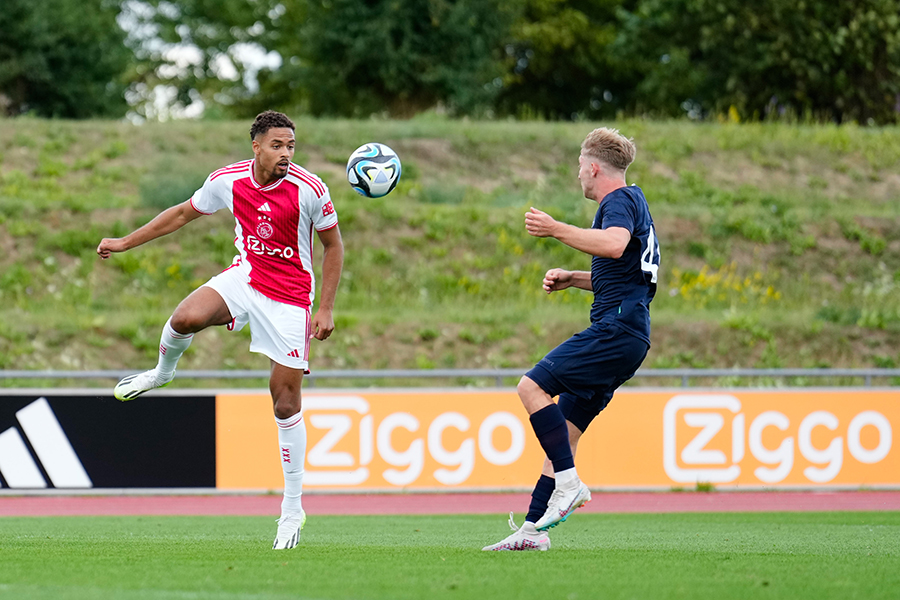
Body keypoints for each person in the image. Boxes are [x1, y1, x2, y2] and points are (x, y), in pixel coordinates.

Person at [97, 111, 344, 551]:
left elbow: (333, 245)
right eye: (277, 145)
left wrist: (324, 308)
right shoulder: (227, 180)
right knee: (184, 319)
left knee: (285, 403)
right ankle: (161, 373)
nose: (286, 153)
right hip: (246, 278)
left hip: (290, 299)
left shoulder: (310, 189)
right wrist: (124, 242)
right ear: (256, 146)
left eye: (290, 146)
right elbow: (180, 214)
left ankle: (292, 509)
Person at [482, 127, 659, 551]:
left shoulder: (618, 201)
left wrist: (555, 228)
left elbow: (614, 246)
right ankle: (532, 532)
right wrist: (574, 278)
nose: (578, 174)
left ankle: (570, 484)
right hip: (630, 332)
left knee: (531, 387)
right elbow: (627, 274)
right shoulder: (636, 202)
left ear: (593, 167)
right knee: (562, 434)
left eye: (580, 166)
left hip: (617, 329)